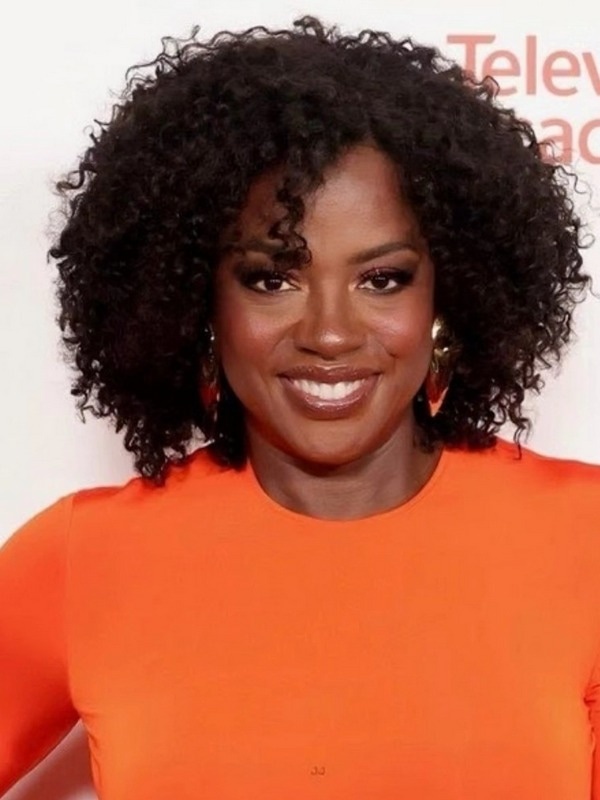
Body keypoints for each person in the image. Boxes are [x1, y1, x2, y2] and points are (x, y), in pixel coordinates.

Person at [1, 14, 599, 800]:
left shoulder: (583, 538)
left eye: (382, 279)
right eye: (272, 279)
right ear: (200, 305)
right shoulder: (86, 560)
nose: (329, 332)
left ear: (445, 299)